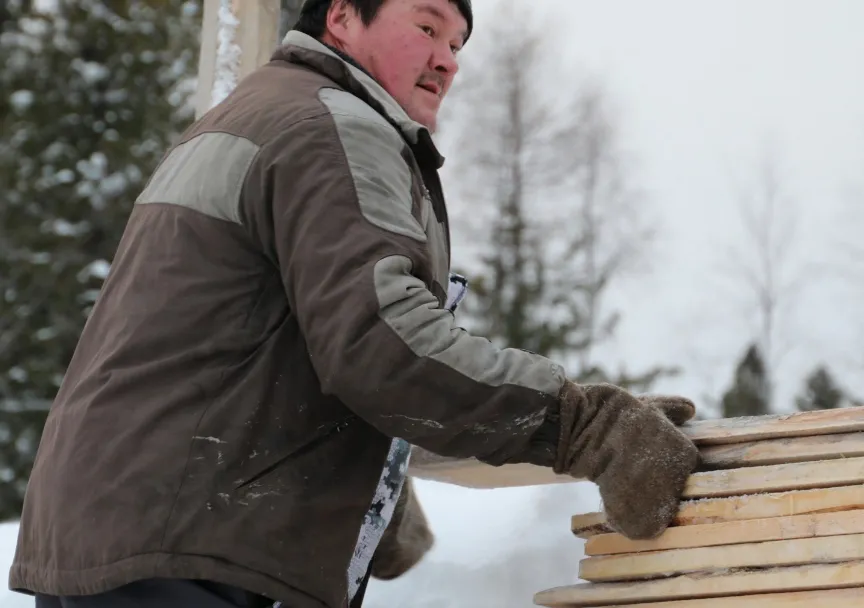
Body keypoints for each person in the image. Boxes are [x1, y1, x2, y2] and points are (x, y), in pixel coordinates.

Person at [7, 0, 702, 606]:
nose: (447, 60)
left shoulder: (259, 112)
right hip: (190, 551)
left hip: (115, 533)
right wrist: (587, 425)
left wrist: (363, 482)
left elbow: (243, 337)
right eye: (427, 26)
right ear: (340, 15)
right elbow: (384, 342)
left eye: (458, 44)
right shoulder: (335, 124)